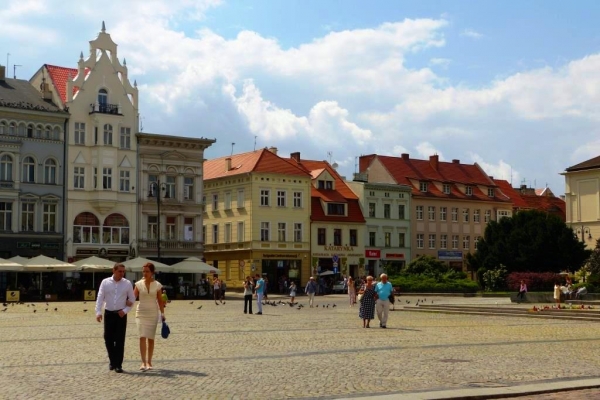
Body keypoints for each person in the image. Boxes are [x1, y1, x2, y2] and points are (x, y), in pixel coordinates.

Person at [95, 263, 135, 373]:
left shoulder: (127, 283)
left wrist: (125, 310)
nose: (122, 273)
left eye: (123, 271)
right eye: (120, 271)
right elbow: (100, 297)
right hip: (108, 313)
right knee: (108, 338)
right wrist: (98, 312)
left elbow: (132, 299)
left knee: (119, 339)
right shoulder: (105, 282)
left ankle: (118, 364)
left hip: (120, 314)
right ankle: (112, 360)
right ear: (114, 270)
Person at [133, 262, 165, 371]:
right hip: (141, 312)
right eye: (143, 271)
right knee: (142, 336)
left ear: (152, 272)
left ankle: (149, 361)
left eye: (147, 271)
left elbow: (160, 300)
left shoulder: (157, 285)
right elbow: (133, 297)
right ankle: (143, 362)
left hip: (152, 312)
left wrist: (163, 314)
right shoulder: (138, 284)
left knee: (151, 338)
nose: (145, 273)